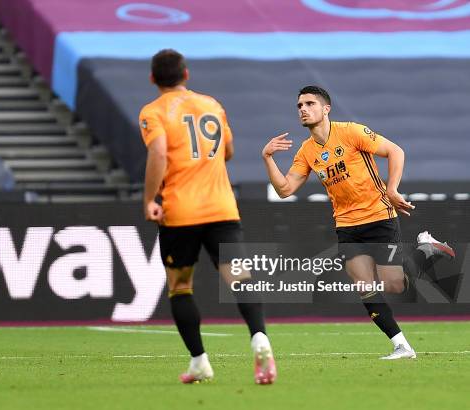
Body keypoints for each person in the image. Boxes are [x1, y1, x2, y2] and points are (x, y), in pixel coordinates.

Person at [261, 85, 454, 360]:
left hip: (378, 216)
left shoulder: (351, 131)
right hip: (346, 225)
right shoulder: (306, 151)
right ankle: (402, 345)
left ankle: (426, 248)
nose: (303, 109)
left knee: (394, 285)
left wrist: (392, 189)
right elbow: (285, 190)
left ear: (326, 109)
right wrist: (267, 158)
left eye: (309, 104)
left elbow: (395, 151)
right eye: (299, 106)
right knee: (364, 288)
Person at [139, 49, 276, 384]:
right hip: (221, 208)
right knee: (239, 278)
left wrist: (149, 199)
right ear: (186, 74)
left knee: (180, 285)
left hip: (180, 212)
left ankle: (199, 360)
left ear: (153, 79)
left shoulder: (153, 112)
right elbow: (227, 151)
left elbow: (158, 152)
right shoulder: (212, 105)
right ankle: (259, 336)